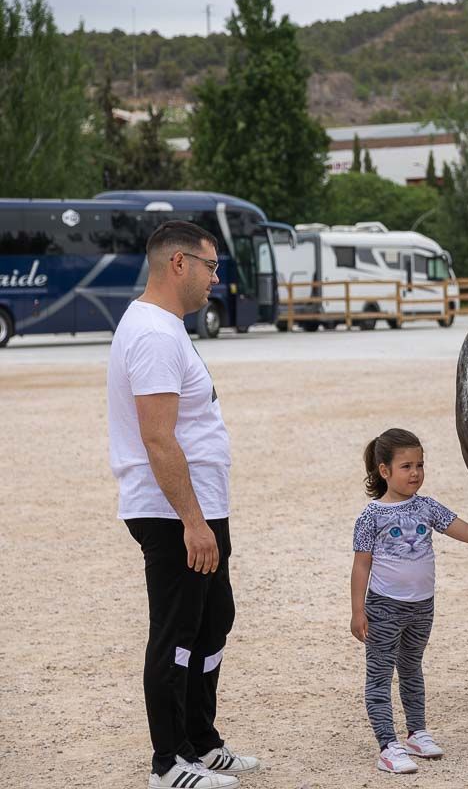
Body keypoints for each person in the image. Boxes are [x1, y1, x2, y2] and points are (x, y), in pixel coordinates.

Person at [107, 221, 257, 789]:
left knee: (213, 620)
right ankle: (168, 763)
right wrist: (192, 521)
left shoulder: (166, 327)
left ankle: (201, 741)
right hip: (171, 511)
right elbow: (158, 437)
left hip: (199, 505)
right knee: (176, 632)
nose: (216, 279)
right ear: (179, 264)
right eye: (211, 267)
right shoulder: (152, 334)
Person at [352, 428, 468, 774]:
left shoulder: (428, 507)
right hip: (384, 607)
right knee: (379, 676)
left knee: (412, 669)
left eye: (419, 464)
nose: (415, 472)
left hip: (422, 607)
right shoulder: (370, 517)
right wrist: (358, 611)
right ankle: (388, 745)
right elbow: (361, 566)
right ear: (384, 471)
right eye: (406, 466)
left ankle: (416, 732)